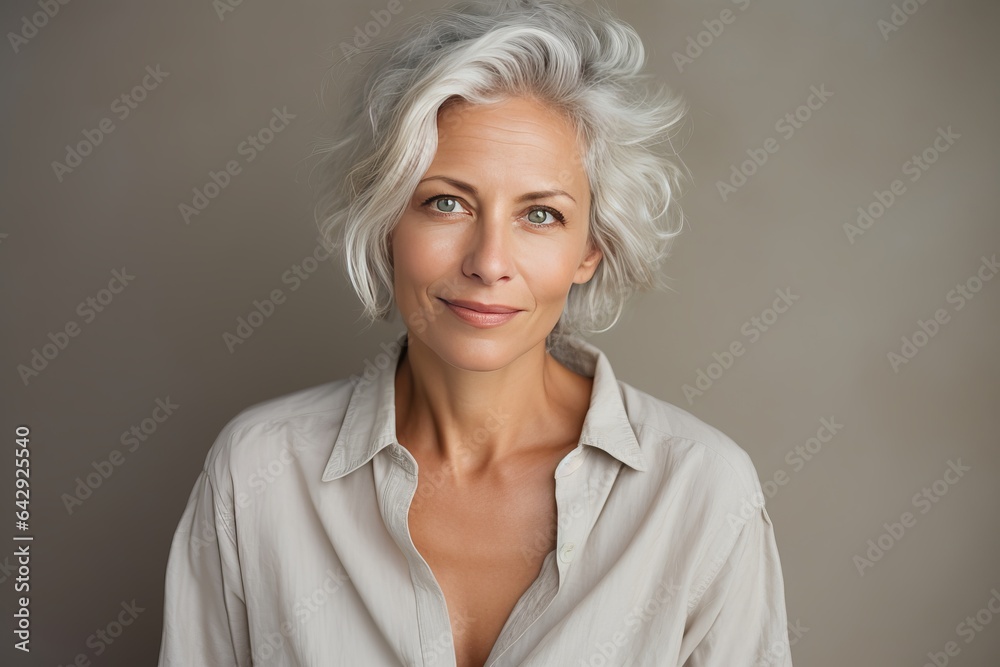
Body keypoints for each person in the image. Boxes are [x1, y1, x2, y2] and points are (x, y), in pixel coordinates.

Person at [157, 1, 793, 665]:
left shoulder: (699, 494)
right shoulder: (258, 474)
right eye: (446, 202)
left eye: (540, 214)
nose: (489, 262)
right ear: (387, 225)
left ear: (590, 248)